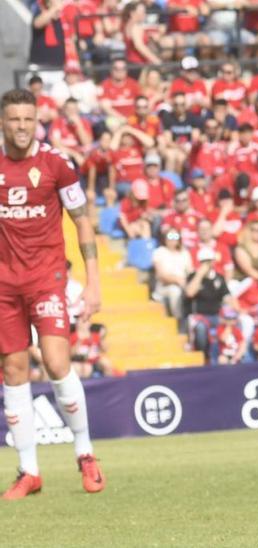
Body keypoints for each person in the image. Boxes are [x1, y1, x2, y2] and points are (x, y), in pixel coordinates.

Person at [0, 89, 106, 499]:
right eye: (14, 120)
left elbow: (81, 222)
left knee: (58, 361)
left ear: (37, 120)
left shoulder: (56, 164)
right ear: (4, 122)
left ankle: (85, 453)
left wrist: (93, 281)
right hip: (5, 287)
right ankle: (29, 471)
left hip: (46, 279)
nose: (22, 127)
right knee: (13, 372)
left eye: (28, 119)